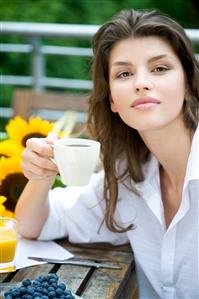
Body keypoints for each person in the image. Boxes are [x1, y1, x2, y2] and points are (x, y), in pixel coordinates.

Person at [15, 9, 199, 299]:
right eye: (124, 73)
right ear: (112, 99)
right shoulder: (127, 177)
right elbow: (32, 225)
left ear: (188, 84)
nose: (141, 82)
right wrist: (42, 175)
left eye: (160, 68)